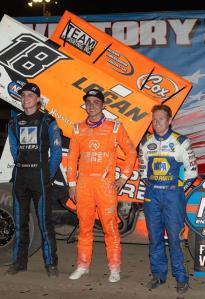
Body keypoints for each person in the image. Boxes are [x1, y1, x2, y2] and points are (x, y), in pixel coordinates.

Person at [67, 89, 137, 283]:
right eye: (88, 102)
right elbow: (72, 158)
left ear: (103, 105)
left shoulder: (115, 127)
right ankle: (83, 265)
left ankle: (114, 268)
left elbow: (131, 153)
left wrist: (123, 178)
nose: (91, 105)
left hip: (106, 186)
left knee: (110, 227)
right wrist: (72, 184)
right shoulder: (77, 128)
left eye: (96, 102)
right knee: (84, 227)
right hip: (84, 185)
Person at [138, 104, 198, 294]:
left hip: (173, 196)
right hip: (152, 196)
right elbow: (142, 169)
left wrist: (178, 189)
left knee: (175, 239)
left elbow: (192, 171)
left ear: (170, 120)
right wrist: (152, 186)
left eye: (161, 119)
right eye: (154, 119)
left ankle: (181, 277)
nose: (156, 123)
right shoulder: (146, 142)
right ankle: (158, 275)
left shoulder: (181, 141)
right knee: (154, 238)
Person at [5, 82, 62, 277]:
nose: (25, 98)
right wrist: (22, 163)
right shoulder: (14, 122)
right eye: (23, 95)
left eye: (30, 95)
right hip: (20, 177)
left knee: (45, 223)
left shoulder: (48, 121)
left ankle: (51, 264)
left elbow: (56, 153)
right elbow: (14, 149)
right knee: (19, 222)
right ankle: (18, 263)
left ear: (38, 99)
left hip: (40, 178)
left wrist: (47, 174)